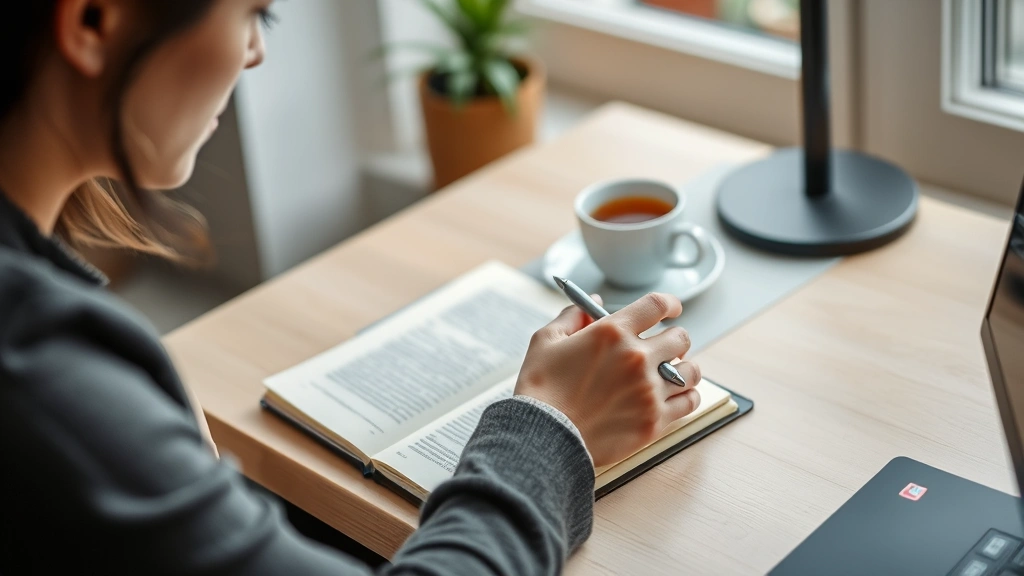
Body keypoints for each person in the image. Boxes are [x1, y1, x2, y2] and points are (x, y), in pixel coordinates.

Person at [0, 1, 703, 574]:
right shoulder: (39, 372)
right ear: (93, 20)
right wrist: (554, 426)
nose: (255, 53)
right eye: (256, 14)